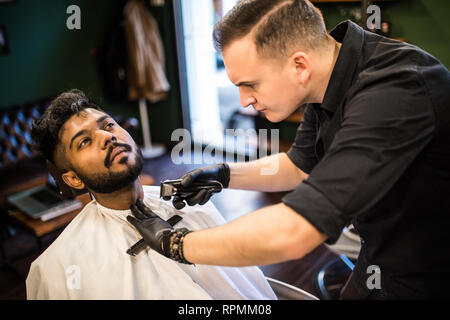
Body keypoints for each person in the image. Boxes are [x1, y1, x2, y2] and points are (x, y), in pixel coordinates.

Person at [128, 0, 450, 299]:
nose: (244, 101)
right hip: (381, 251)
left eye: (250, 84)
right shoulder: (327, 76)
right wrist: (224, 175)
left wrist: (177, 244)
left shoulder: (394, 93)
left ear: (299, 65)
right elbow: (298, 167)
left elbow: (295, 231)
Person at [26, 89, 277, 300]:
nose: (107, 137)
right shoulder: (58, 267)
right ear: (72, 178)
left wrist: (223, 175)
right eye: (84, 142)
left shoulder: (187, 202)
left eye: (108, 125)